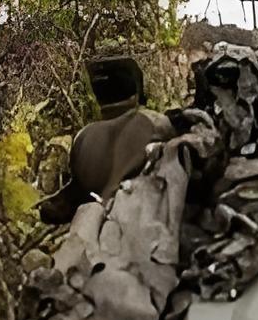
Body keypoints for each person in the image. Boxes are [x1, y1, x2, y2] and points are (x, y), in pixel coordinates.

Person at [35, 51, 167, 227]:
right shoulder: (156, 123)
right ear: (136, 91)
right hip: (146, 227)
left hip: (101, 228)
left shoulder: (83, 137)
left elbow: (79, 190)